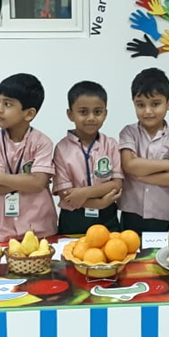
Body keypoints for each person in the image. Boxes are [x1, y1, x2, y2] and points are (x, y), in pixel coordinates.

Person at [0, 74, 57, 242]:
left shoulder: (42, 143)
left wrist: (0, 177)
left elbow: (38, 183)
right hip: (3, 230)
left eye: (7, 104)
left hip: (40, 228)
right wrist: (26, 180)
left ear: (29, 114)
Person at [118, 68, 169, 234]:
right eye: (140, 105)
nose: (148, 111)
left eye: (155, 104)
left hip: (165, 215)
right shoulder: (129, 133)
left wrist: (142, 175)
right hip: (131, 214)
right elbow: (129, 165)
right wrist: (167, 165)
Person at [53, 81, 124, 234]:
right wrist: (99, 203)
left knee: (112, 248)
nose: (91, 118)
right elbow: (66, 195)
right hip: (73, 217)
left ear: (105, 113)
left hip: (107, 216)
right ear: (70, 114)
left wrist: (84, 193)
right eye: (83, 112)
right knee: (70, 249)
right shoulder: (61, 149)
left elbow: (116, 184)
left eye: (97, 112)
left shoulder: (111, 145)